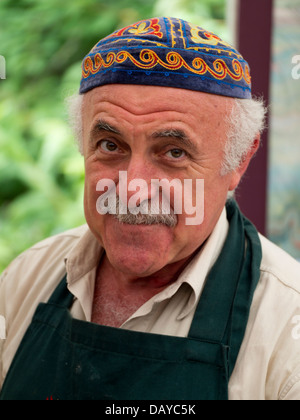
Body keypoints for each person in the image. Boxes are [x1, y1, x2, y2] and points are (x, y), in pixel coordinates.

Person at [0, 16, 300, 401]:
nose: (133, 189)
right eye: (111, 146)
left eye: (174, 152)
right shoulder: (27, 277)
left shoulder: (285, 327)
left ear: (239, 161)